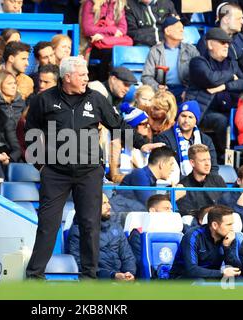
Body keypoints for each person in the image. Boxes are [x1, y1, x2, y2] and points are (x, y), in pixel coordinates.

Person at [24, 56, 124, 279]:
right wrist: (40, 164)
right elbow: (31, 130)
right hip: (55, 173)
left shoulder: (97, 99)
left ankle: (89, 277)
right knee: (47, 225)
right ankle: (34, 276)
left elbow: (117, 126)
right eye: (82, 75)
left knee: (90, 224)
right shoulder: (44, 100)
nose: (87, 78)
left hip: (89, 172)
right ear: (67, 77)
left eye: (87, 74)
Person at [186, 28, 243, 160]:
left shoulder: (231, 63)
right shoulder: (198, 62)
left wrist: (224, 86)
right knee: (221, 120)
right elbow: (211, 79)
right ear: (210, 44)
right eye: (222, 42)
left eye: (228, 43)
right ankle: (221, 155)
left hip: (229, 109)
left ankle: (241, 158)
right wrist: (231, 76)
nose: (227, 45)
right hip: (204, 112)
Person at [68, 193, 136, 280]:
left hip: (120, 278)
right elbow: (79, 264)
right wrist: (112, 275)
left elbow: (127, 256)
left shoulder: (116, 227)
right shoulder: (78, 231)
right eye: (104, 203)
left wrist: (129, 273)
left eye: (108, 202)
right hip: (97, 280)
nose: (109, 206)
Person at [170, 205, 242, 280]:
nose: (232, 228)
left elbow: (236, 270)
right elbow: (191, 270)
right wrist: (221, 272)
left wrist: (227, 248)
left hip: (212, 277)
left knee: (240, 280)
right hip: (183, 278)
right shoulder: (193, 236)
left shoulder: (229, 237)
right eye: (228, 225)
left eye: (232, 224)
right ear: (215, 225)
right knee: (199, 281)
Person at [153, 100, 219, 177]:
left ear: (196, 121)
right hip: (175, 183)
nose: (186, 120)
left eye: (190, 117)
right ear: (177, 117)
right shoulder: (164, 137)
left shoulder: (206, 140)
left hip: (202, 184)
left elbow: (213, 167)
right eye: (183, 116)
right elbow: (165, 166)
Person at [141, 16, 200, 102]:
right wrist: (157, 87)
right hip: (163, 91)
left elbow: (199, 74)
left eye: (182, 28)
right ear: (167, 31)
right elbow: (146, 76)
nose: (182, 30)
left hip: (184, 89)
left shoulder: (191, 50)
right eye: (178, 28)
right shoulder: (155, 51)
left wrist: (188, 91)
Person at [109, 146, 177, 213]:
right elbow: (150, 205)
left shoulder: (151, 179)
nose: (172, 169)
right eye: (171, 164)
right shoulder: (140, 174)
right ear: (162, 164)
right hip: (120, 218)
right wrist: (171, 196)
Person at [80, 0, 128, 81]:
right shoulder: (90, 2)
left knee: (120, 51)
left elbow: (123, 30)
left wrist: (104, 37)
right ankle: (104, 83)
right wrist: (112, 30)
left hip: (112, 43)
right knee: (109, 53)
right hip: (92, 44)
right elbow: (87, 29)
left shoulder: (119, 3)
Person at [175, 144, 227, 216]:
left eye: (209, 159)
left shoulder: (218, 179)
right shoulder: (183, 186)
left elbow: (227, 204)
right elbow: (188, 214)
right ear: (192, 163)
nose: (207, 164)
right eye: (203, 160)